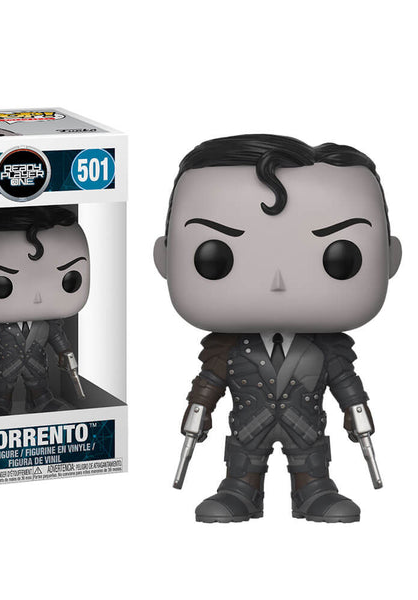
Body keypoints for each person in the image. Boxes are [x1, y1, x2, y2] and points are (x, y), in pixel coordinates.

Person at [153, 134, 402, 523]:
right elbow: (209, 382)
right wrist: (197, 413)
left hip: (306, 429)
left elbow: (345, 382)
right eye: (215, 258)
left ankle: (314, 492)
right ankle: (240, 491)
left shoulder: (329, 349)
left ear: (390, 258)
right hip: (249, 427)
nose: (278, 282)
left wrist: (358, 414)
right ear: (164, 258)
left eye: (340, 259)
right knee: (243, 466)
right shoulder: (226, 349)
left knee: (311, 465)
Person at [0, 206, 90, 417]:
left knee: (39, 385)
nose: (37, 297)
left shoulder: (48, 323)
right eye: (1, 285)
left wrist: (65, 353)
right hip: (6, 365)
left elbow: (57, 336)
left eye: (69, 281)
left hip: (36, 363)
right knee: (2, 388)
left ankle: (41, 401)